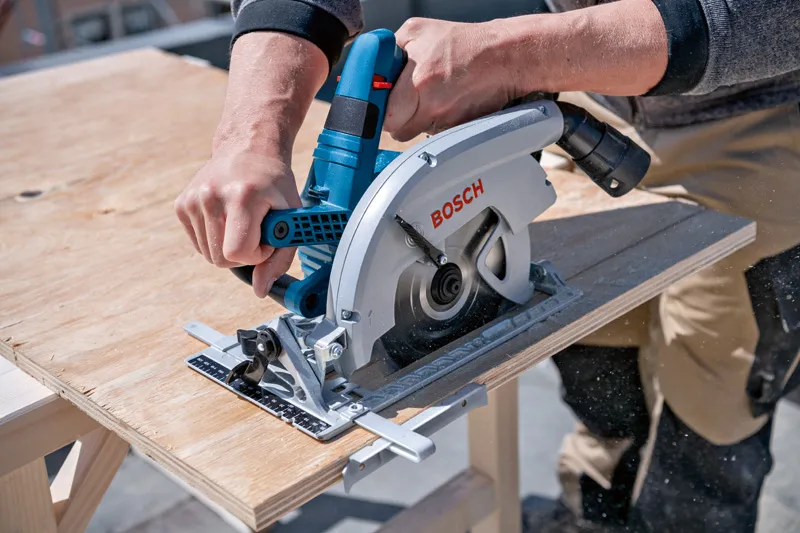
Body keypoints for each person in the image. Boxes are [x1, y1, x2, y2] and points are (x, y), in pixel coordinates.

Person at [174, 1, 800, 531]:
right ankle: (593, 517)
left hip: (753, 109)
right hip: (595, 82)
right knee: (598, 360)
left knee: (711, 407)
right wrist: (252, 140)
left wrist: (514, 55)